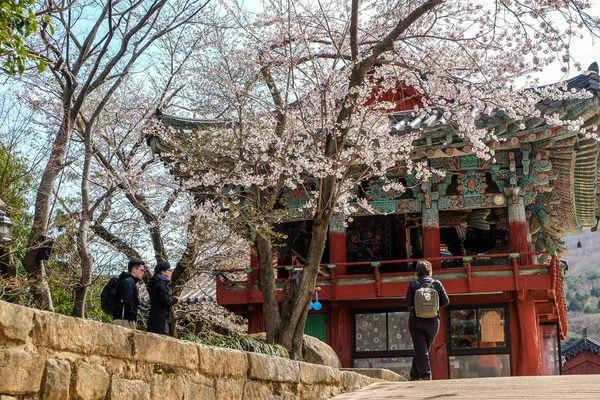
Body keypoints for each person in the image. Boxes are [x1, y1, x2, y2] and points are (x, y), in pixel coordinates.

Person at [405, 260, 450, 381]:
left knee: (421, 348)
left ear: (417, 272)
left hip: (416, 320)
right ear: (429, 271)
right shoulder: (437, 283)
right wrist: (432, 306)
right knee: (423, 348)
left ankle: (425, 375)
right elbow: (446, 302)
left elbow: (408, 303)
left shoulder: (413, 284)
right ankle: (414, 375)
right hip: (433, 322)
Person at [147, 261, 181, 335]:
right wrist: (176, 300)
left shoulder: (154, 282)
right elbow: (166, 301)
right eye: (169, 270)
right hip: (161, 318)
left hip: (154, 316)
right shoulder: (161, 283)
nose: (171, 273)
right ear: (163, 272)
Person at [113, 259, 145, 329]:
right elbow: (128, 300)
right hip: (124, 319)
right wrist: (131, 316)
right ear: (134, 270)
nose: (143, 273)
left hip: (122, 317)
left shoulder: (126, 280)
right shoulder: (129, 281)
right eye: (141, 270)